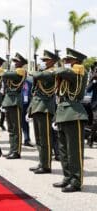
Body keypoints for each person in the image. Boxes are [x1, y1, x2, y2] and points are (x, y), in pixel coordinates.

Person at [52, 48, 88, 192]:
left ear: (76, 61)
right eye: (65, 59)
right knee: (63, 150)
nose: (66, 61)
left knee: (74, 151)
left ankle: (76, 181)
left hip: (74, 113)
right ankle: (67, 177)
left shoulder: (78, 71)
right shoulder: (68, 73)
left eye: (69, 59)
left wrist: (60, 66)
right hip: (63, 112)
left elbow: (61, 72)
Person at [27, 50, 58, 174]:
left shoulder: (52, 71)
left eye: (46, 60)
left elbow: (36, 75)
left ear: (53, 61)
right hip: (38, 106)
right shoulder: (43, 71)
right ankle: (42, 162)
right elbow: (34, 88)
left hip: (45, 107)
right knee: (39, 138)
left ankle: (46, 165)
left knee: (45, 138)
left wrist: (37, 70)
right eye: (43, 60)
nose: (43, 62)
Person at [1, 53, 27, 159]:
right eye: (14, 61)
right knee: (11, 128)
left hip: (15, 100)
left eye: (17, 61)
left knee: (16, 128)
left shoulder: (21, 71)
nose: (15, 63)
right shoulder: (12, 72)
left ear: (21, 63)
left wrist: (3, 71)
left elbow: (5, 75)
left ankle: (17, 151)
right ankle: (12, 149)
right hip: (8, 101)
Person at [86, 62, 97, 148]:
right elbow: (88, 90)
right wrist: (93, 81)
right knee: (95, 121)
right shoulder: (94, 80)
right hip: (95, 104)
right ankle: (91, 138)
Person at [22, 77, 34, 147]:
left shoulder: (29, 82)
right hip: (18, 104)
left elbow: (32, 93)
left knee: (25, 123)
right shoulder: (15, 79)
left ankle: (27, 139)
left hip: (26, 104)